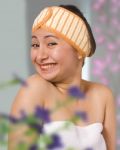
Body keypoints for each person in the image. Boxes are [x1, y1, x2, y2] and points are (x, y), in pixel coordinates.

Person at [8, 4, 116, 150]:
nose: (40, 56)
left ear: (79, 50)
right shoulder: (35, 89)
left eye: (51, 43)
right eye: (35, 45)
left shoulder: (102, 96)